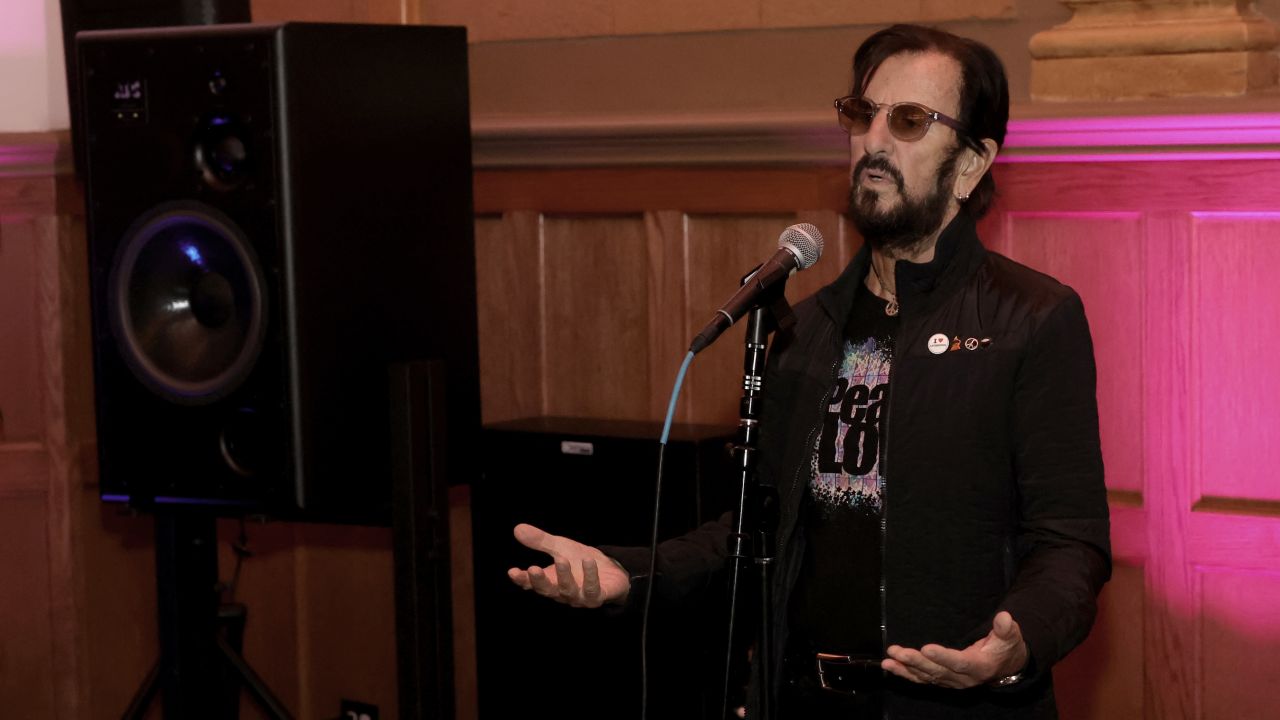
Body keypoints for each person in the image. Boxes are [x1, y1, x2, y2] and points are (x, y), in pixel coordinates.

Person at [507, 23, 1111, 719]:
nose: (874, 141)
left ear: (972, 163)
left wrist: (1020, 639)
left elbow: (1071, 542)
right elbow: (750, 531)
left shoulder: (1031, 320)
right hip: (803, 702)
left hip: (952, 706)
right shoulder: (807, 328)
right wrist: (631, 574)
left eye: (910, 120)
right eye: (862, 114)